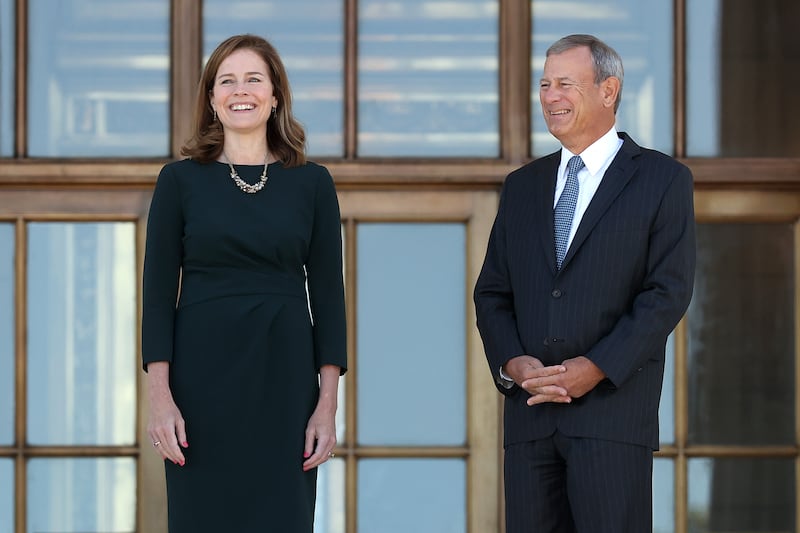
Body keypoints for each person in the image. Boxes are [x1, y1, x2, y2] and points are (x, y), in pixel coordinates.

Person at [474, 34, 695, 532]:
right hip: (531, 420)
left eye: (565, 84)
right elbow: (492, 291)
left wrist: (596, 367)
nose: (550, 96)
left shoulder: (662, 180)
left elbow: (667, 293)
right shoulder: (522, 186)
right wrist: (512, 362)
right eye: (545, 84)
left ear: (609, 90)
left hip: (612, 420)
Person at [141, 34, 347, 532]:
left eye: (254, 79)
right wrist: (161, 399)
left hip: (284, 382)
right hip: (199, 386)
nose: (241, 90)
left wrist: (325, 408)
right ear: (211, 98)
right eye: (226, 80)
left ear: (275, 95)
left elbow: (328, 299)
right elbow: (156, 294)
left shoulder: (313, 183)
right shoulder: (178, 181)